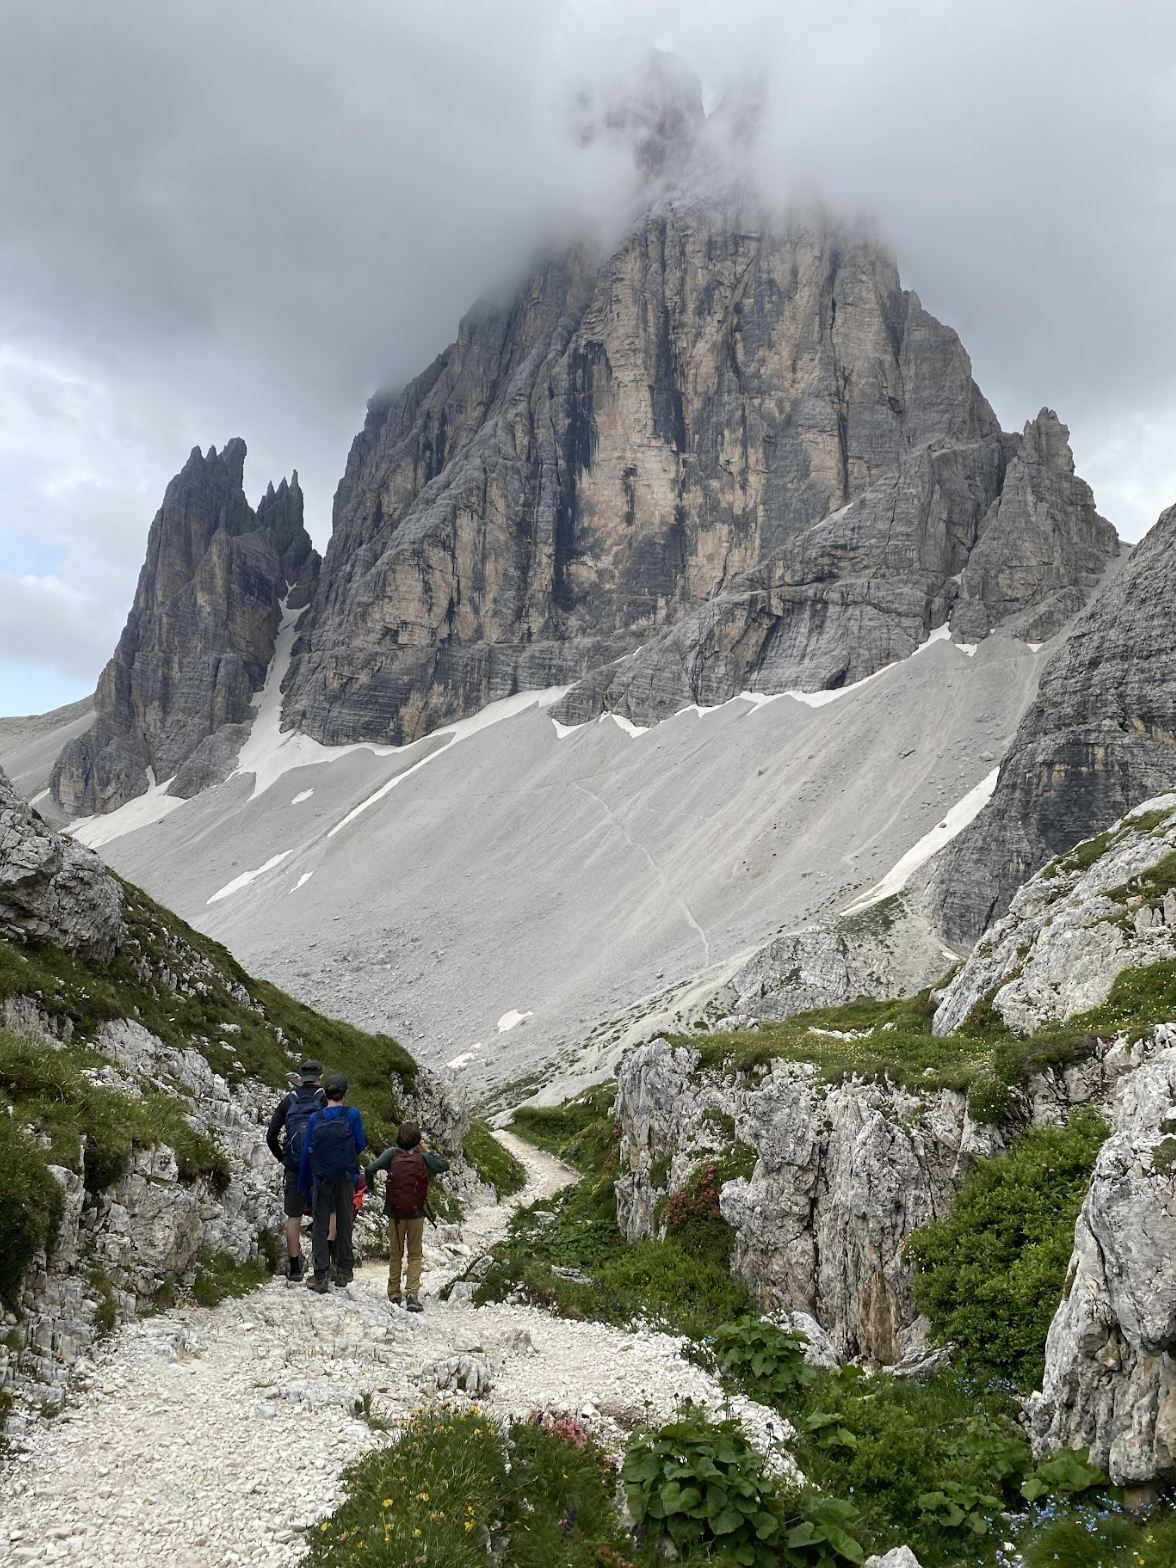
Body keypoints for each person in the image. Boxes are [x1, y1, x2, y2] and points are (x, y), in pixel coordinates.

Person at [365, 1121, 449, 1312]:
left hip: (394, 1213)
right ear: (417, 1140)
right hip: (416, 1213)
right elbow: (444, 1165)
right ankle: (412, 1295)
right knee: (414, 1255)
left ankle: (394, 1294)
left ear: (399, 1138)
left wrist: (371, 1188)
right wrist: (428, 1151)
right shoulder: (422, 1158)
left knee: (396, 1254)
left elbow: (370, 1169)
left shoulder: (391, 1154)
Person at [297, 1073, 366, 1292]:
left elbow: (308, 1153)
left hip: (322, 1178)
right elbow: (360, 1144)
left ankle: (320, 1274)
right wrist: (346, 1160)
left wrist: (302, 1184)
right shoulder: (352, 1114)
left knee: (320, 1224)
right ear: (345, 1094)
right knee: (344, 1221)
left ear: (325, 1094)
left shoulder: (316, 1118)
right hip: (346, 1177)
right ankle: (345, 1270)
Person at [265, 1059, 325, 1283]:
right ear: (320, 1077)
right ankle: (321, 1267)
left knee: (294, 1217)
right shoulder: (324, 1098)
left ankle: (295, 1269)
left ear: (301, 1077)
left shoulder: (288, 1101)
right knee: (323, 1214)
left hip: (294, 1167)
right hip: (319, 1166)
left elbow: (271, 1136)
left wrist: (284, 1159)